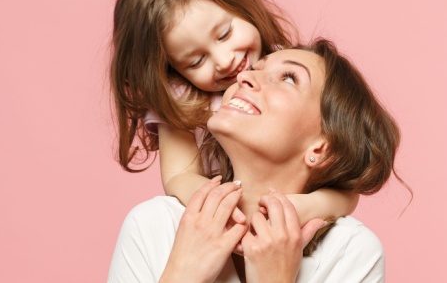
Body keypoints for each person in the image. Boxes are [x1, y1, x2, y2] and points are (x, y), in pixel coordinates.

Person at [109, 39, 404, 282]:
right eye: (254, 69)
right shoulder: (153, 224)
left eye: (289, 78)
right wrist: (182, 275)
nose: (243, 76)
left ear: (322, 148)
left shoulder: (350, 253)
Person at [111, 0, 356, 228]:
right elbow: (178, 176)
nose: (225, 60)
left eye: (224, 34)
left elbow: (347, 190)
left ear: (239, 3)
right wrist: (224, 208)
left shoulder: (284, 72)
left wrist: (307, 205)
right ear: (172, 70)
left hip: (288, 228)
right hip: (221, 230)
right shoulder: (181, 101)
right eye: (196, 61)